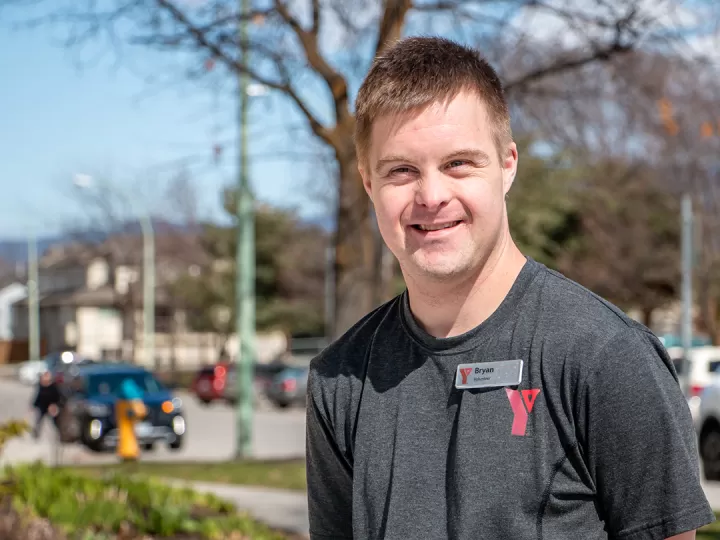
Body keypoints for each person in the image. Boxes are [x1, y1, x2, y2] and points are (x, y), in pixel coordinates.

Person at [305, 36, 714, 540]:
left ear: (507, 166)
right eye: (401, 171)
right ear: (369, 184)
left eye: (458, 163)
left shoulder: (607, 358)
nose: (431, 196)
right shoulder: (339, 380)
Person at [30, 371, 62, 439]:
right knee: (39, 419)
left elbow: (57, 397)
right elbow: (38, 396)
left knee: (55, 422)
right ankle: (36, 433)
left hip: (51, 407)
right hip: (42, 406)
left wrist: (55, 405)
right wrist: (33, 405)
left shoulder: (53, 386)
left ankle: (59, 433)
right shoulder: (41, 386)